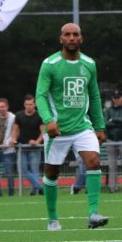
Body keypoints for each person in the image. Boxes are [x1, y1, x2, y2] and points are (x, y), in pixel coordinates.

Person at [36, 23, 108, 231]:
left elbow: (94, 96)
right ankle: (52, 219)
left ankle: (93, 214)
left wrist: (100, 126)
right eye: (67, 34)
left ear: (81, 39)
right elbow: (40, 95)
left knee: (93, 161)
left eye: (75, 34)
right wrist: (49, 120)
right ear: (61, 39)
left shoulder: (89, 64)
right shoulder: (49, 64)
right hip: (57, 129)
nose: (71, 38)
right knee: (51, 172)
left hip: (82, 126)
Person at [10, 94, 44, 195]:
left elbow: (43, 132)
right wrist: (14, 140)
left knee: (35, 171)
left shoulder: (39, 116)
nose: (29, 106)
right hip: (22, 147)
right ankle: (40, 187)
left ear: (34, 105)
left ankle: (34, 190)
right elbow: (15, 130)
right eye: (27, 104)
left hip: (35, 148)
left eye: (31, 104)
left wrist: (37, 142)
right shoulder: (19, 115)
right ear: (24, 105)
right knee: (22, 169)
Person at [104, 90, 122, 192]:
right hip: (110, 139)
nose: (116, 99)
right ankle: (113, 188)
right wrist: (118, 121)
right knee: (112, 166)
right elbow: (105, 124)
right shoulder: (108, 110)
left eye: (118, 97)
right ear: (113, 99)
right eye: (115, 98)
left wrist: (113, 120)